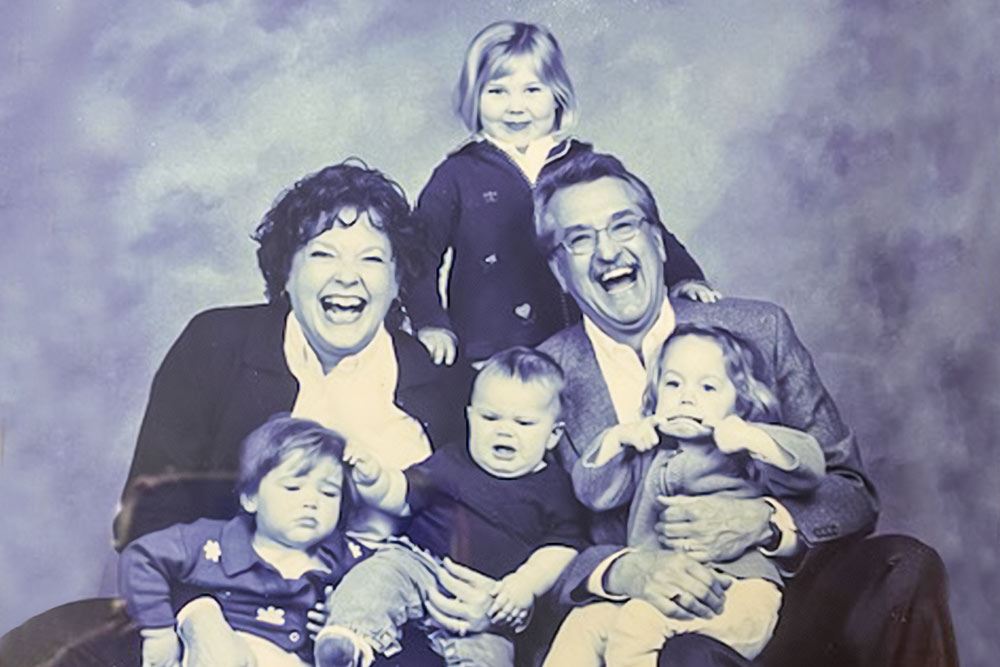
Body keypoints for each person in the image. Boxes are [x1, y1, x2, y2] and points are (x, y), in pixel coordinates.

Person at [419, 150, 956, 667]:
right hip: (655, 624)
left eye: (623, 227)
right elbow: (531, 539)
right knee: (683, 654)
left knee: (904, 565)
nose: (608, 252)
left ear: (655, 241)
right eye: (580, 240)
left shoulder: (759, 330)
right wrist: (625, 571)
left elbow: (851, 489)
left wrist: (767, 522)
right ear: (559, 271)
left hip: (783, 594)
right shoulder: (539, 382)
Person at [119, 158, 472, 544]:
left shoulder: (443, 377)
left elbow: (485, 523)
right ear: (286, 273)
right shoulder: (215, 345)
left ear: (396, 280)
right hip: (232, 598)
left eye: (371, 258)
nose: (347, 275)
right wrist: (196, 604)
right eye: (323, 254)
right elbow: (150, 512)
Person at [408, 21, 716, 365]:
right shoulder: (456, 175)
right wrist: (431, 322)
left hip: (585, 339)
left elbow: (644, 229)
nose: (515, 106)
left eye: (532, 90)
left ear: (558, 95)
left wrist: (685, 277)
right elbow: (418, 256)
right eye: (497, 92)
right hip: (492, 349)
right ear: (473, 97)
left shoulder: (586, 165)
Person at [544, 324, 825, 666]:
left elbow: (809, 465)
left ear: (740, 403)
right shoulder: (650, 453)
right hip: (665, 596)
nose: (686, 397)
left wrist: (751, 437)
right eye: (673, 383)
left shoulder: (739, 448)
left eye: (708, 387)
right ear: (655, 395)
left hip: (738, 597)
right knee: (585, 624)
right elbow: (595, 495)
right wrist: (616, 440)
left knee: (638, 624)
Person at [313, 347, 588, 667]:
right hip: (418, 563)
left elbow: (563, 546)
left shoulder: (554, 487)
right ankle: (349, 639)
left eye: (524, 422)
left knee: (493, 657)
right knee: (375, 578)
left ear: (553, 435)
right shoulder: (452, 461)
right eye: (490, 417)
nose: (504, 429)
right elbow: (401, 495)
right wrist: (374, 478)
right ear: (470, 417)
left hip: (489, 601)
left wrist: (523, 585)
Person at [119, 416, 369, 667]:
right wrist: (158, 633)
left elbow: (386, 583)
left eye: (329, 492)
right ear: (251, 498)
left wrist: (342, 619)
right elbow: (141, 557)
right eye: (293, 487)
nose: (312, 502)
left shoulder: (344, 559)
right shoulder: (213, 543)